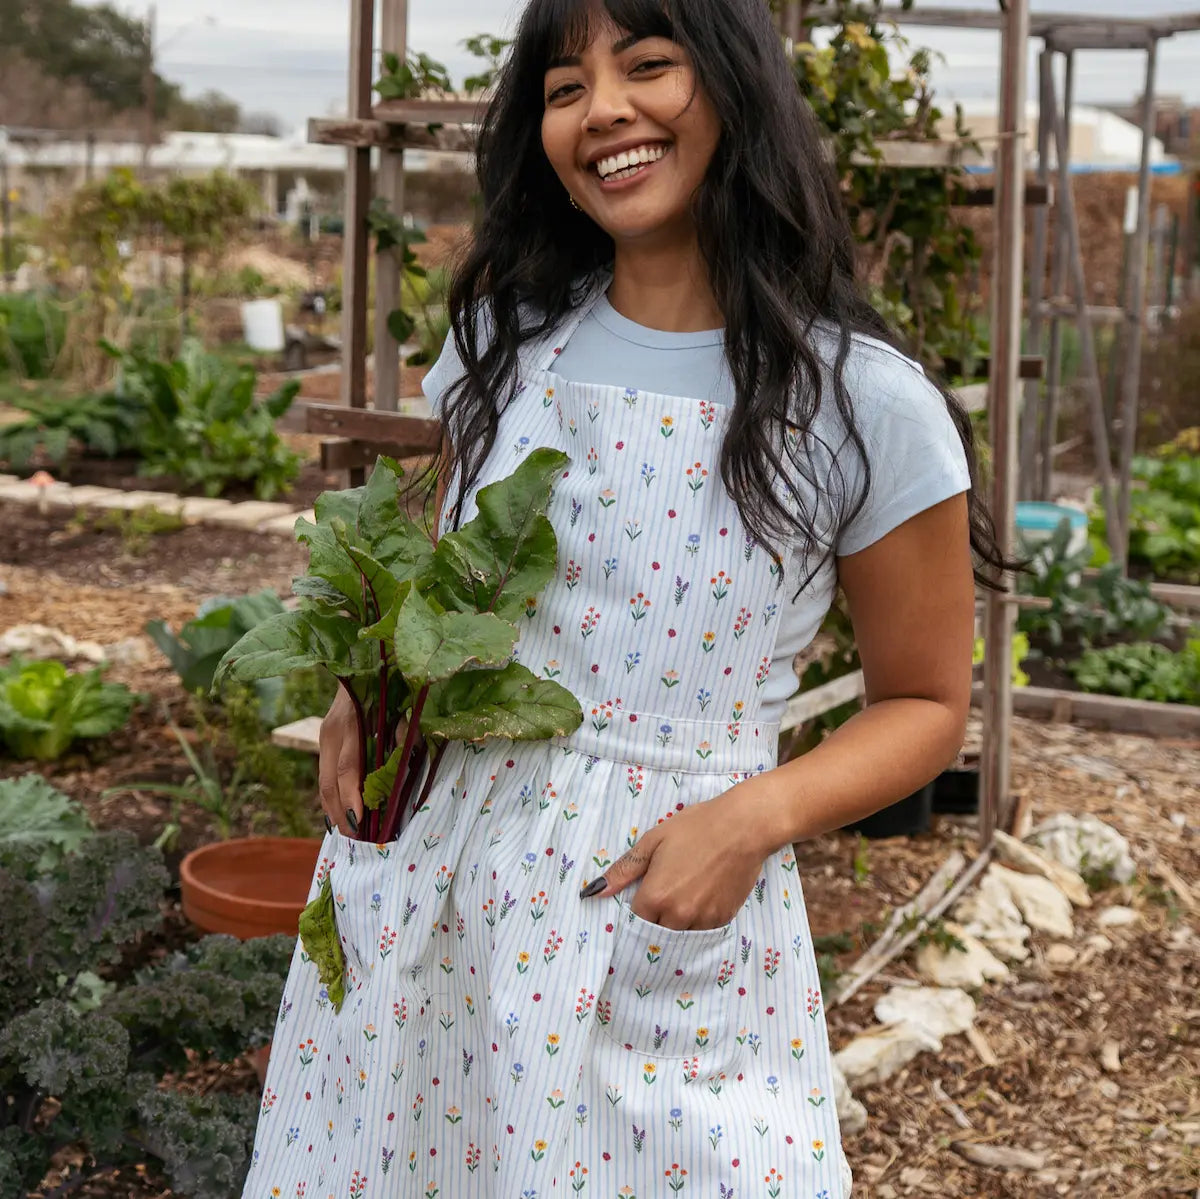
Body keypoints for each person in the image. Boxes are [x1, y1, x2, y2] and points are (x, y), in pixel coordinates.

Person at [244, 1, 1004, 1195]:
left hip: (655, 883)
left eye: (647, 65)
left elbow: (923, 703)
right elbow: (424, 567)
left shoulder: (863, 401)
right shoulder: (504, 343)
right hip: (433, 873)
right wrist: (366, 686)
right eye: (562, 88)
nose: (603, 110)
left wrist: (749, 819)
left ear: (737, 92)